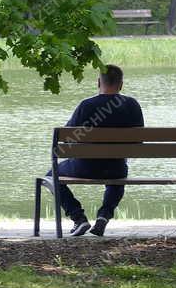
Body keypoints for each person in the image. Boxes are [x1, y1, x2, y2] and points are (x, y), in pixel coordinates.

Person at [50, 64, 144, 236]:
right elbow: (138, 140)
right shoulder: (132, 105)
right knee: (119, 174)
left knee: (51, 175)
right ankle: (103, 217)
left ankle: (79, 218)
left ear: (98, 82)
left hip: (85, 167)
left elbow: (66, 137)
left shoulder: (86, 105)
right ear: (121, 85)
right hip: (116, 168)